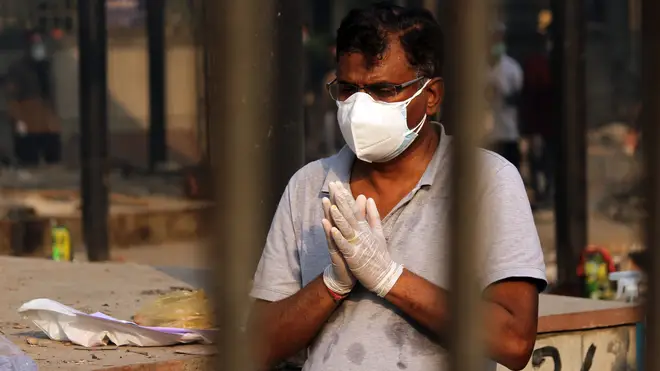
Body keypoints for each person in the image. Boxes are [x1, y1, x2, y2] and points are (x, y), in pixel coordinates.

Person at [248, 3, 546, 371]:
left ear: (432, 96)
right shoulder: (308, 187)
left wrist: (389, 277)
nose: (359, 107)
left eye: (383, 90)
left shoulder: (487, 182)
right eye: (347, 89)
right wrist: (331, 284)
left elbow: (514, 341)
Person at [520, 32, 555, 208]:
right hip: (542, 122)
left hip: (545, 123)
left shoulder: (542, 64)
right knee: (539, 160)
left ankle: (544, 191)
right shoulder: (536, 65)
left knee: (543, 160)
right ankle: (542, 191)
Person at [487, 23, 524, 170]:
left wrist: (502, 95)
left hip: (508, 133)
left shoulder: (512, 68)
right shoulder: (477, 69)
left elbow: (520, 99)